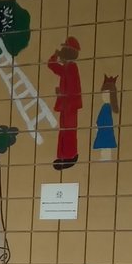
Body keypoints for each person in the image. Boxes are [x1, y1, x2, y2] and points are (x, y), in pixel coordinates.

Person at [47, 37, 84, 170]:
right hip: (66, 106)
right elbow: (52, 66)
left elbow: (73, 89)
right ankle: (64, 156)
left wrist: (62, 96)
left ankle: (69, 156)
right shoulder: (68, 67)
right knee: (64, 131)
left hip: (69, 107)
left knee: (68, 132)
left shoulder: (71, 67)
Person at [93, 75, 119, 160]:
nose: (104, 96)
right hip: (102, 131)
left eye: (106, 94)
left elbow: (106, 121)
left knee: (106, 149)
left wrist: (98, 126)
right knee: (104, 149)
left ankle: (106, 159)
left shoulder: (107, 107)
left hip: (105, 132)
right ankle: (105, 158)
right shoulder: (105, 106)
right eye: (103, 93)